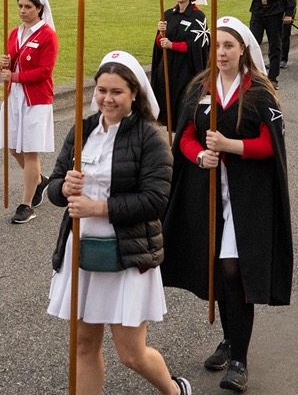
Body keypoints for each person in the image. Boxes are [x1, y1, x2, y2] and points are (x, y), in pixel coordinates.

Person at [43, 52, 190, 395]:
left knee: (130, 353)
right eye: (101, 90)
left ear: (134, 94)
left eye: (117, 92)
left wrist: (98, 208)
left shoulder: (150, 137)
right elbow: (53, 187)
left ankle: (172, 390)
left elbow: (156, 200)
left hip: (129, 252)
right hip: (80, 251)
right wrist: (63, 188)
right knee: (83, 345)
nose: (107, 99)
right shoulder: (83, 130)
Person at [162, 17, 293, 393]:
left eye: (229, 46)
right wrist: (199, 154)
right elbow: (185, 134)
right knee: (216, 268)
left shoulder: (260, 93)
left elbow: (273, 147)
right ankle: (231, 335)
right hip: (207, 193)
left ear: (243, 50)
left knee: (234, 269)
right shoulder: (199, 88)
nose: (221, 52)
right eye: (217, 46)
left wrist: (231, 146)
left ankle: (239, 358)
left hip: (247, 198)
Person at [0, 0, 58, 224]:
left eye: (28, 7)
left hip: (36, 98)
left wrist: (14, 76)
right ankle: (38, 180)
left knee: (30, 149)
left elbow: (45, 71)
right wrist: (4, 64)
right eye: (20, 6)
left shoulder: (47, 35)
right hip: (14, 97)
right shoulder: (15, 33)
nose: (23, 11)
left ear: (39, 9)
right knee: (14, 147)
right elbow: (10, 66)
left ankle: (26, 205)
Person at [149, 0, 209, 130]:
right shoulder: (168, 14)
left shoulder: (198, 16)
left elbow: (196, 46)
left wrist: (172, 45)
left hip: (185, 68)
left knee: (182, 99)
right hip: (167, 66)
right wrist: (161, 35)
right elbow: (159, 44)